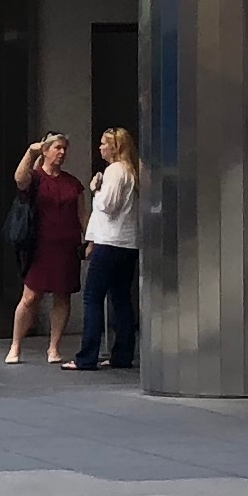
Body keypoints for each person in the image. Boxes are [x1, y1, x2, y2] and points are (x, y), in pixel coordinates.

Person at [4, 136, 86, 363]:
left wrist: (90, 240)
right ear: (46, 151)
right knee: (30, 296)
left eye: (64, 149)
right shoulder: (36, 178)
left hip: (67, 244)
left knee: (63, 295)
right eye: (57, 148)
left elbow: (82, 215)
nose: (62, 153)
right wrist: (31, 153)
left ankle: (54, 347)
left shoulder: (73, 183)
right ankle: (16, 345)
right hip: (40, 244)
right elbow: (19, 179)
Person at [73, 125, 143, 373]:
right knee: (121, 298)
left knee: (93, 297)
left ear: (115, 147)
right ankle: (122, 353)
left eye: (104, 143)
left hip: (111, 242)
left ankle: (87, 356)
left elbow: (108, 206)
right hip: (128, 243)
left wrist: (96, 189)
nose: (100, 147)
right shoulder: (133, 171)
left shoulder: (114, 171)